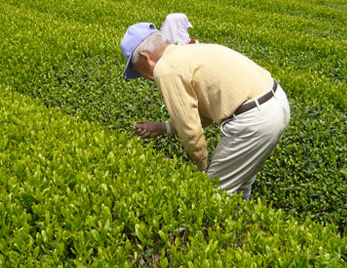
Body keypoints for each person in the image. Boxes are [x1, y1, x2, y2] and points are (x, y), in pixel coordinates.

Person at [120, 22, 290, 200]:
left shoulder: (166, 68)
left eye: (137, 69)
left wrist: (203, 166)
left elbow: (189, 128)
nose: (142, 76)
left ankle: (232, 226)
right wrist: (163, 127)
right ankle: (244, 221)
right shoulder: (189, 52)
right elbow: (204, 114)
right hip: (275, 104)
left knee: (213, 194)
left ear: (145, 57)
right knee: (239, 184)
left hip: (254, 119)